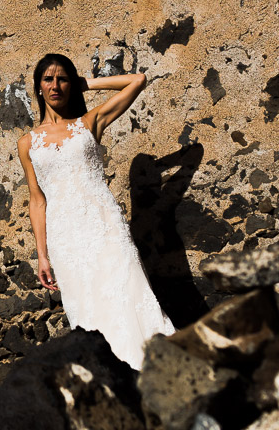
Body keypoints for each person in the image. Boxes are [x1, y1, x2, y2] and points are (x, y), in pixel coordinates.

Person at [15, 53, 175, 370]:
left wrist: (83, 83)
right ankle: (112, 382)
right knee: (88, 311)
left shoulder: (89, 123)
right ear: (38, 86)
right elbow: (37, 200)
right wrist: (42, 255)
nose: (56, 85)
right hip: (66, 239)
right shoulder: (27, 143)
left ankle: (160, 373)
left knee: (130, 294)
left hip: (105, 228)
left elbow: (137, 80)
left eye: (62, 79)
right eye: (48, 79)